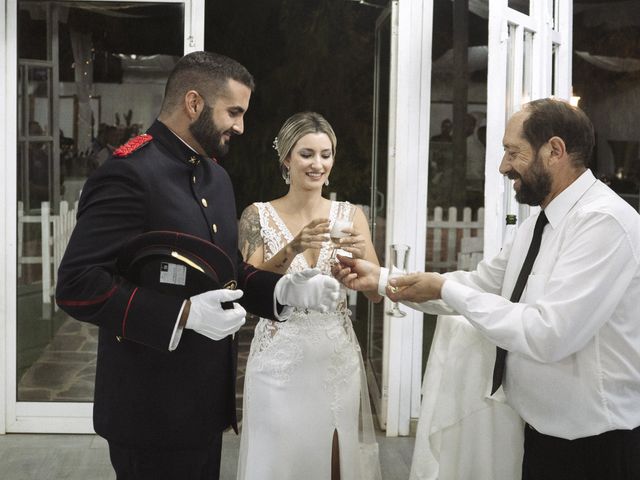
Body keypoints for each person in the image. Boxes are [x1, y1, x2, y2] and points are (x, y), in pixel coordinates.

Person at [55, 52, 340, 480]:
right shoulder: (129, 174)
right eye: (234, 112)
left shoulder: (215, 177)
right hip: (148, 410)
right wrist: (183, 314)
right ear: (194, 103)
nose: (240, 127)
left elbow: (225, 270)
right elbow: (78, 284)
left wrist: (282, 291)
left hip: (204, 408)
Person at [335, 98, 640, 479]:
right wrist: (380, 278)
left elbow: (549, 334)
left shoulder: (604, 223)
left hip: (597, 448)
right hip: (542, 438)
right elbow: (478, 285)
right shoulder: (536, 227)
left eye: (513, 152)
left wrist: (446, 291)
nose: (502, 166)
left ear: (555, 151)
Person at [236, 111, 383, 480]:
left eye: (326, 154)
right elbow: (247, 285)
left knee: (334, 463)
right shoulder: (257, 216)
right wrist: (293, 246)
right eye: (307, 154)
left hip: (335, 361)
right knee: (279, 464)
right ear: (286, 158)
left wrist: (358, 266)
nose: (318, 164)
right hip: (278, 364)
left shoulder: (351, 216)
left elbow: (376, 295)